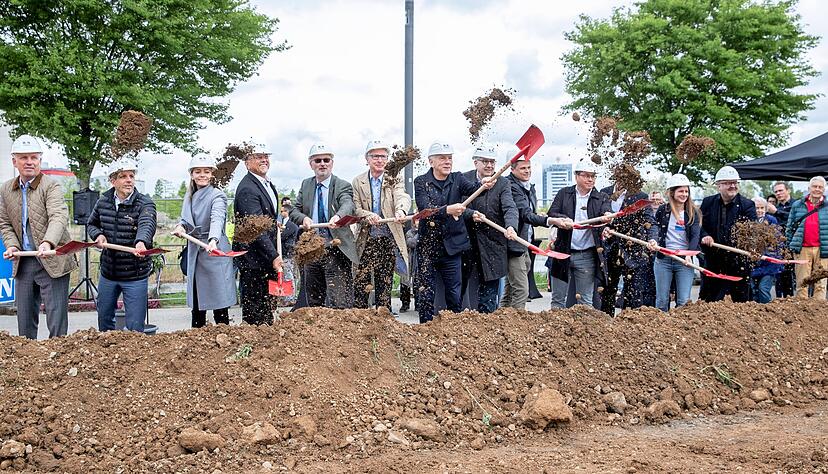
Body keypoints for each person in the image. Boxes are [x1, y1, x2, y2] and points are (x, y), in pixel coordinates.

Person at [0, 134, 77, 339]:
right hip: (24, 262)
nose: (29, 162)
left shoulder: (50, 185)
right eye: (24, 158)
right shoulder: (6, 189)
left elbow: (58, 216)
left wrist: (47, 242)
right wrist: (13, 246)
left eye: (34, 157)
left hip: (52, 259)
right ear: (14, 161)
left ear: (40, 160)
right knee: (24, 322)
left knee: (56, 321)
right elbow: (5, 223)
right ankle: (28, 364)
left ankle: (58, 360)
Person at [413, 141, 494, 323]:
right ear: (431, 161)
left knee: (454, 293)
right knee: (426, 292)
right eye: (442, 158)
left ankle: (453, 328)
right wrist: (448, 210)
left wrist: (484, 183)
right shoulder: (421, 182)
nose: (447, 162)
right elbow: (425, 210)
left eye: (449, 158)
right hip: (428, 247)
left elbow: (474, 189)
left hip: (453, 248)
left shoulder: (457, 179)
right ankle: (425, 329)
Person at [87, 159, 157, 332]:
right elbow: (92, 224)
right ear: (113, 181)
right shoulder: (103, 202)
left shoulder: (144, 203)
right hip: (109, 273)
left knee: (134, 327)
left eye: (131, 176)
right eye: (123, 176)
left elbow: (147, 224)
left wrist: (141, 242)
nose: (129, 180)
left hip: (135, 274)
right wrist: (99, 235)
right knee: (104, 321)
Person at [290, 143, 358, 309]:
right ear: (311, 164)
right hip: (312, 249)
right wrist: (304, 218)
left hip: (335, 247)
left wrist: (338, 216)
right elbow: (293, 210)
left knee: (339, 300)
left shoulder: (342, 185)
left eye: (326, 160)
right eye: (318, 160)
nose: (322, 163)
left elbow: (348, 204)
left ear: (332, 163)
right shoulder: (306, 185)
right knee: (314, 300)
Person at [173, 156, 236, 327]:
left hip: (214, 253)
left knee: (219, 303)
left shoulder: (217, 196)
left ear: (211, 175)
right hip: (196, 251)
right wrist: (180, 227)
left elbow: (217, 218)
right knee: (197, 304)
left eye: (206, 172)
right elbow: (186, 221)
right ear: (192, 174)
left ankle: (224, 338)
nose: (202, 175)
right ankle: (198, 341)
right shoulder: (189, 196)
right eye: (198, 172)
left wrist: (213, 240)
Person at [503, 156, 570, 309]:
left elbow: (530, 212)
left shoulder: (529, 187)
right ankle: (516, 323)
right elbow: (524, 214)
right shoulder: (511, 186)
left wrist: (542, 216)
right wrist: (550, 221)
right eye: (522, 168)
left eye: (529, 168)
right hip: (514, 243)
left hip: (525, 242)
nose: (527, 171)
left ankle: (502, 319)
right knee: (521, 290)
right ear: (512, 169)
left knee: (510, 288)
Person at [352, 139, 411, 311]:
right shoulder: (358, 181)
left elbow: (402, 196)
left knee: (384, 281)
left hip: (387, 239)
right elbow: (355, 207)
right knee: (361, 282)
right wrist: (367, 215)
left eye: (383, 156)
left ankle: (384, 317)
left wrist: (401, 211)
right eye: (375, 156)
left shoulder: (394, 178)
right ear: (367, 159)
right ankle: (360, 317)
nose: (380, 160)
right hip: (366, 239)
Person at [547, 159, 612, 309]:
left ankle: (585, 331)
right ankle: (556, 330)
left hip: (587, 255)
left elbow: (606, 211)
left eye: (593, 176)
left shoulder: (601, 197)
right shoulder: (564, 193)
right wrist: (563, 219)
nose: (590, 179)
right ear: (576, 176)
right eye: (586, 175)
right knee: (558, 299)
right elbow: (552, 212)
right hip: (562, 252)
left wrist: (608, 216)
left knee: (585, 302)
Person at [461, 145, 518, 313]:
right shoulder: (464, 179)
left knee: (489, 292)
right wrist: (471, 213)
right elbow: (458, 206)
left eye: (492, 162)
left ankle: (488, 317)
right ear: (475, 162)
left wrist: (510, 226)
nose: (489, 166)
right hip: (467, 243)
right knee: (464, 287)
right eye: (485, 161)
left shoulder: (502, 183)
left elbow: (510, 208)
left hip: (493, 244)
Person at [232, 151, 281, 325]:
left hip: (264, 257)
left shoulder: (266, 184)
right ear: (247, 163)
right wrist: (274, 255)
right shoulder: (248, 188)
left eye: (266, 156)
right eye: (258, 157)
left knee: (267, 307)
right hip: (254, 259)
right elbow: (255, 229)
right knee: (255, 309)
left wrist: (274, 225)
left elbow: (266, 218)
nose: (264, 160)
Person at [699, 165, 757, 302]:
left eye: (735, 183)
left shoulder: (747, 205)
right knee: (710, 298)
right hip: (714, 259)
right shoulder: (708, 203)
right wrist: (704, 235)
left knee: (741, 300)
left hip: (738, 261)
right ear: (718, 186)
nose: (732, 186)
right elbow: (699, 226)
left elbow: (752, 230)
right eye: (727, 183)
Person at [646, 174, 700, 311]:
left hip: (684, 261)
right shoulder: (663, 210)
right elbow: (655, 229)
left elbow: (695, 236)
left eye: (686, 191)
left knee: (683, 301)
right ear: (672, 192)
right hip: (663, 259)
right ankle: (661, 330)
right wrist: (652, 241)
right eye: (681, 191)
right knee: (662, 300)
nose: (684, 194)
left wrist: (689, 255)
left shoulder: (693, 212)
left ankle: (680, 331)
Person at [599, 181, 655, 314]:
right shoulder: (604, 193)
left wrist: (652, 238)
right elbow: (597, 216)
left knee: (633, 290)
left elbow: (649, 221)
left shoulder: (640, 196)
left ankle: (629, 322)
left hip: (632, 250)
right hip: (609, 248)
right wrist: (604, 228)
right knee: (608, 290)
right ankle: (606, 324)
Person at [786, 176, 828, 300]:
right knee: (801, 283)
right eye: (815, 186)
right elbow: (790, 227)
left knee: (821, 284)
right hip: (802, 248)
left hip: (823, 249)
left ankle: (817, 315)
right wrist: (790, 246)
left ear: (824, 189)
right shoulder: (797, 205)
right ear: (809, 188)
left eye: (820, 187)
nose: (817, 189)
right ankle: (801, 314)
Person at [750, 197, 783, 303]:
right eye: (756, 208)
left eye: (761, 208)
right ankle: (755, 313)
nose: (759, 210)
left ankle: (766, 310)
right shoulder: (748, 221)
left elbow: (777, 240)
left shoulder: (771, 220)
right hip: (753, 263)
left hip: (768, 263)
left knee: (763, 289)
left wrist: (771, 254)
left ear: (765, 209)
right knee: (753, 290)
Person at [771, 181, 796, 298]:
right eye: (776, 191)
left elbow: (793, 219)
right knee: (781, 275)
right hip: (780, 247)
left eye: (780, 190)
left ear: (788, 190)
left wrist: (776, 212)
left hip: (796, 245)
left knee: (797, 275)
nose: (778, 193)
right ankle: (781, 300)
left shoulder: (797, 205)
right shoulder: (776, 208)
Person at [278, 207, 299, 306]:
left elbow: (282, 237)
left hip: (288, 253)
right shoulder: (286, 224)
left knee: (288, 276)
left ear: (287, 212)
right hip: (288, 253)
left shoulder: (291, 225)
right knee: (288, 275)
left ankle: (290, 298)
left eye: (282, 211)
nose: (281, 213)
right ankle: (288, 297)